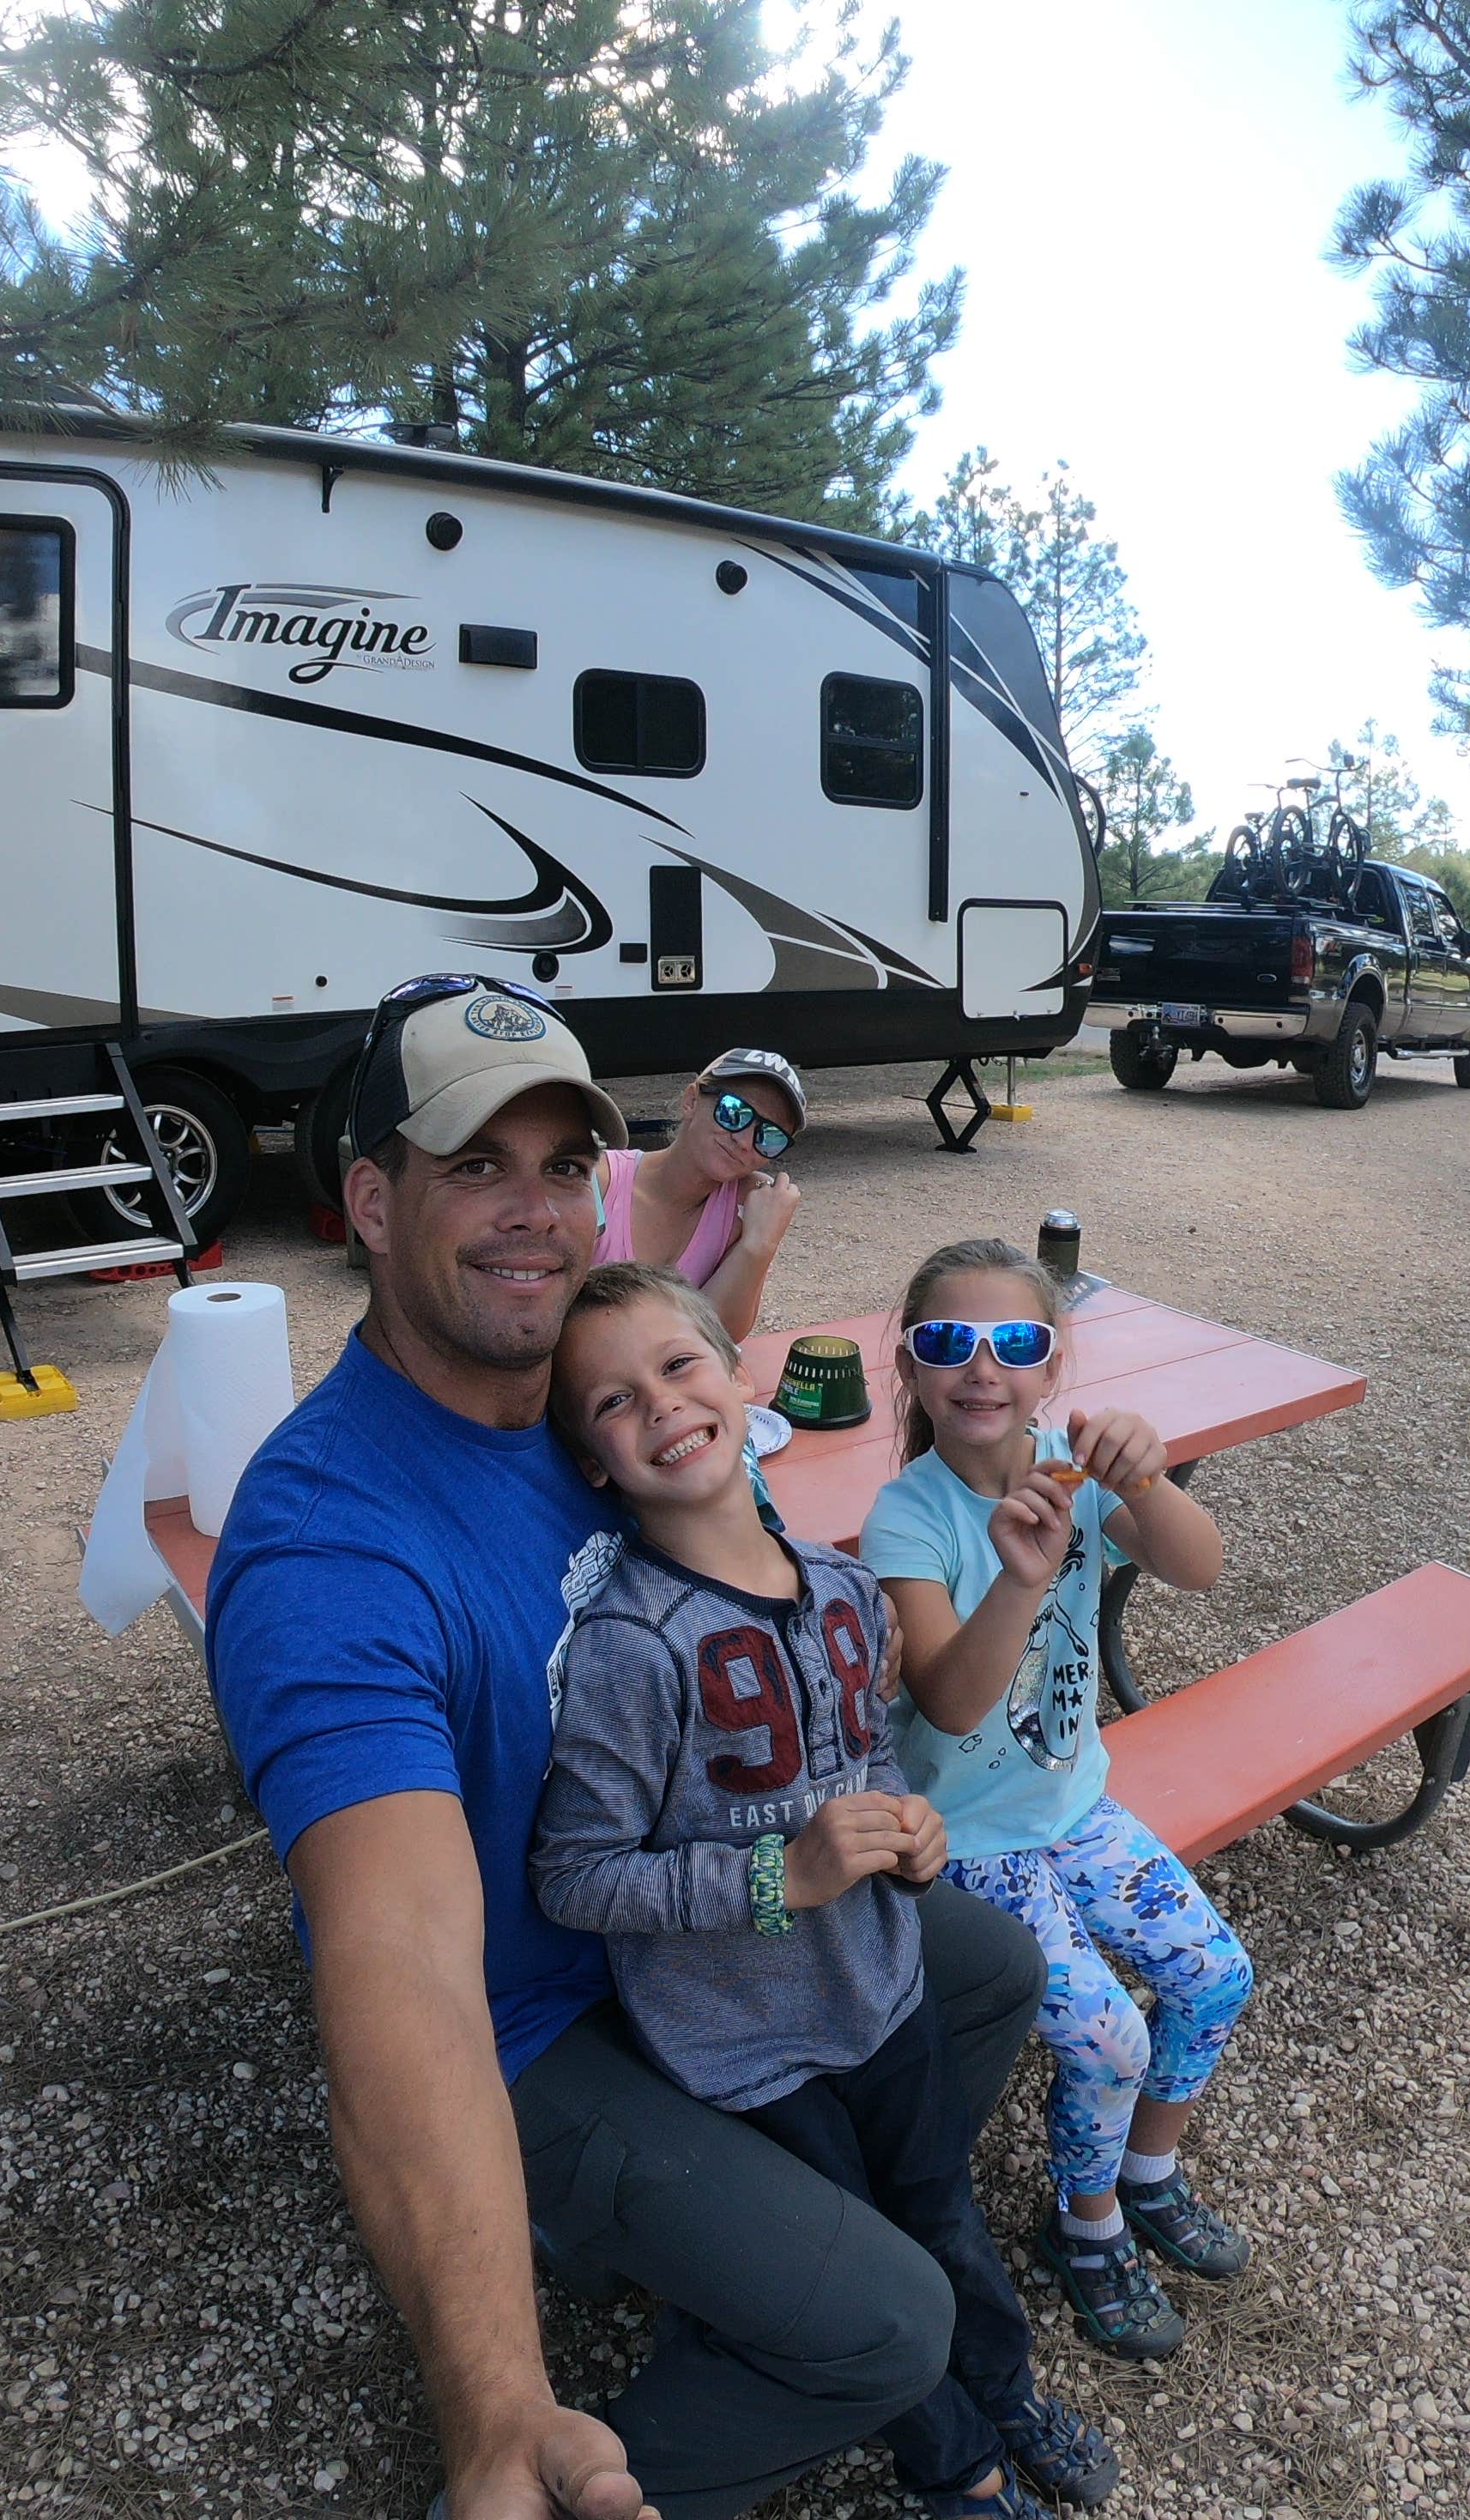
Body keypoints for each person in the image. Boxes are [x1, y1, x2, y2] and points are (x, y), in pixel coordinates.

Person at [202, 979, 1046, 2520]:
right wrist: (498, 2407)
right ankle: (588, 2462)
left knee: (985, 1968)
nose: (533, 1213)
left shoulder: (597, 1417)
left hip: (702, 1928)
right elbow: (393, 1961)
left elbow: (785, 1644)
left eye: (562, 1167)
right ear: (372, 1200)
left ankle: (779, 2219)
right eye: (475, 1165)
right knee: (884, 2324)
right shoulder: (329, 1539)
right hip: (543, 2018)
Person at [528, 1264, 1116, 2520]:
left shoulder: (844, 1591)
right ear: (591, 1459)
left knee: (941, 2211)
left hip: (882, 1985)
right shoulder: (629, 1648)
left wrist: (912, 1831)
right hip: (746, 2045)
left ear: (740, 1382)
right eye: (615, 1402)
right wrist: (777, 1874)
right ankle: (958, 2465)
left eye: (680, 1368)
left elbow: (861, 1764)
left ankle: (1004, 2390)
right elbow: (576, 1877)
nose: (662, 1406)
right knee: (866, 2255)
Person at [861, 1237, 1256, 2365]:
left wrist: (1143, 1479)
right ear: (912, 1365)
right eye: (948, 1342)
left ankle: (1147, 2176)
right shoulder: (910, 1516)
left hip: (1074, 1806)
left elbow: (1201, 1567)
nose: (980, 1367)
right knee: (1110, 2040)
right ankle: (1086, 2231)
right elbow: (944, 1701)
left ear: (1052, 1364)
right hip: (971, 1843)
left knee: (1216, 1974)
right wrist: (1021, 1575)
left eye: (1014, 1343)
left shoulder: (1072, 1469)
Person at [594, 1049, 806, 1341]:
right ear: (691, 1100)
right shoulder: (601, 1181)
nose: (744, 1141)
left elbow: (721, 1335)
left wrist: (759, 1244)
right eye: (734, 1112)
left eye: (770, 1136)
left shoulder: (748, 1203)